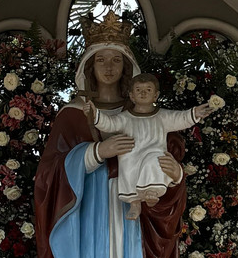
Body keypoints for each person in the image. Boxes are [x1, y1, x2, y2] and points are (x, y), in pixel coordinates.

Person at [34, 13, 186, 258]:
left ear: (128, 68)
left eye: (116, 59)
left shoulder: (150, 118)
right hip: (87, 224)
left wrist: (175, 174)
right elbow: (47, 180)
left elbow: (169, 184)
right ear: (88, 65)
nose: (108, 66)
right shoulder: (72, 116)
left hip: (135, 225)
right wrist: (95, 154)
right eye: (100, 59)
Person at [85, 73, 213, 220]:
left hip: (153, 153)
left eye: (148, 90)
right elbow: (109, 124)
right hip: (131, 155)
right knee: (128, 168)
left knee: (156, 160)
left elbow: (180, 118)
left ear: (156, 95)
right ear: (132, 96)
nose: (143, 93)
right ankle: (134, 203)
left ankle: (152, 192)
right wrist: (95, 115)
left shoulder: (162, 116)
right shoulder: (125, 118)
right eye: (138, 90)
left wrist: (194, 113)